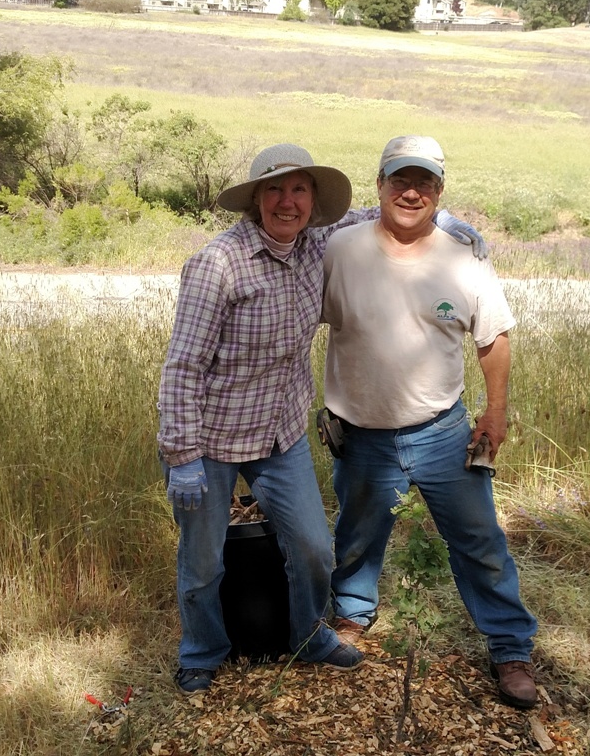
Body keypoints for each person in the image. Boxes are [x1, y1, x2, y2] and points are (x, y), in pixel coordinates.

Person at [157, 142, 487, 695]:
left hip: (278, 433)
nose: (288, 202)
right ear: (255, 199)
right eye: (275, 190)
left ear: (313, 201)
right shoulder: (218, 264)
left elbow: (378, 213)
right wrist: (182, 456)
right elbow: (183, 365)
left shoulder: (317, 245)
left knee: (312, 546)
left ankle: (307, 635)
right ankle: (202, 650)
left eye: (300, 189)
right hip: (209, 438)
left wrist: (442, 221)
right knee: (203, 561)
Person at [321, 135, 541, 709]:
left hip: (442, 432)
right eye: (399, 180)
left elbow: (492, 335)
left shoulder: (462, 257)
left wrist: (496, 411)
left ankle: (510, 649)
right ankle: (350, 618)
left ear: (440, 192)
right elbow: (295, 317)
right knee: (358, 535)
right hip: (361, 432)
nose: (410, 192)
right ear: (380, 186)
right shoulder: (338, 250)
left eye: (424, 183)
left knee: (479, 541)